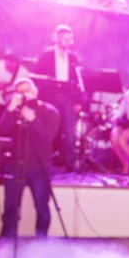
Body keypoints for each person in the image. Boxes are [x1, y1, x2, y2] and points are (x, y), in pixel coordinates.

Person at [0, 78, 60, 237]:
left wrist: (34, 120)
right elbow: (2, 130)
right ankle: (7, 243)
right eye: (20, 91)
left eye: (27, 90)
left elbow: (48, 137)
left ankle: (40, 244)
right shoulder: (14, 110)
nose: (24, 94)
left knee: (41, 207)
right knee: (10, 206)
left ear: (35, 91)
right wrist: (10, 110)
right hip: (15, 164)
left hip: (39, 166)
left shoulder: (49, 111)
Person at [34, 24, 82, 171]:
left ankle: (69, 164)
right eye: (66, 39)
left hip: (67, 97)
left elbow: (79, 81)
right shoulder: (46, 56)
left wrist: (78, 101)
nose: (69, 42)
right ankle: (45, 162)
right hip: (50, 96)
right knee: (49, 130)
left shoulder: (73, 58)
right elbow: (37, 78)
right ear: (57, 38)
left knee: (70, 132)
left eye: (70, 39)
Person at [0, 53, 29, 128]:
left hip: (13, 94)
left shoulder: (23, 73)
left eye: (12, 67)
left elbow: (24, 87)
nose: (9, 69)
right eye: (8, 66)